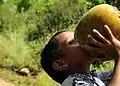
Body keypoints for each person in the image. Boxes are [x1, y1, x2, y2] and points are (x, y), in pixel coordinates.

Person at [40, 25, 120, 86]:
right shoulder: (72, 83)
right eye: (73, 42)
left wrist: (112, 53)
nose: (82, 41)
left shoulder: (95, 78)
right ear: (60, 64)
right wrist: (118, 56)